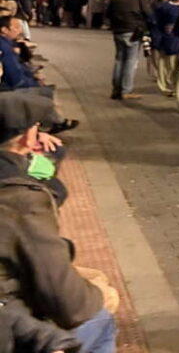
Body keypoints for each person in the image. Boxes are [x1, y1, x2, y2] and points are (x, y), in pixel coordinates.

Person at [0, 90, 118, 352]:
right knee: (99, 320)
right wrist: (97, 297)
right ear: (29, 137)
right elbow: (68, 301)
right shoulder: (20, 199)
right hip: (9, 311)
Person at [104, 0, 151, 101]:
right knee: (130, 61)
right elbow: (149, 14)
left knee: (119, 60)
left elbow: (108, 14)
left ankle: (116, 89)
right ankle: (126, 90)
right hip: (133, 32)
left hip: (118, 31)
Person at [152, 0, 179, 99]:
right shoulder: (164, 7)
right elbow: (157, 23)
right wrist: (157, 40)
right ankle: (165, 86)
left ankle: (177, 86)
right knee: (167, 64)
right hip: (169, 37)